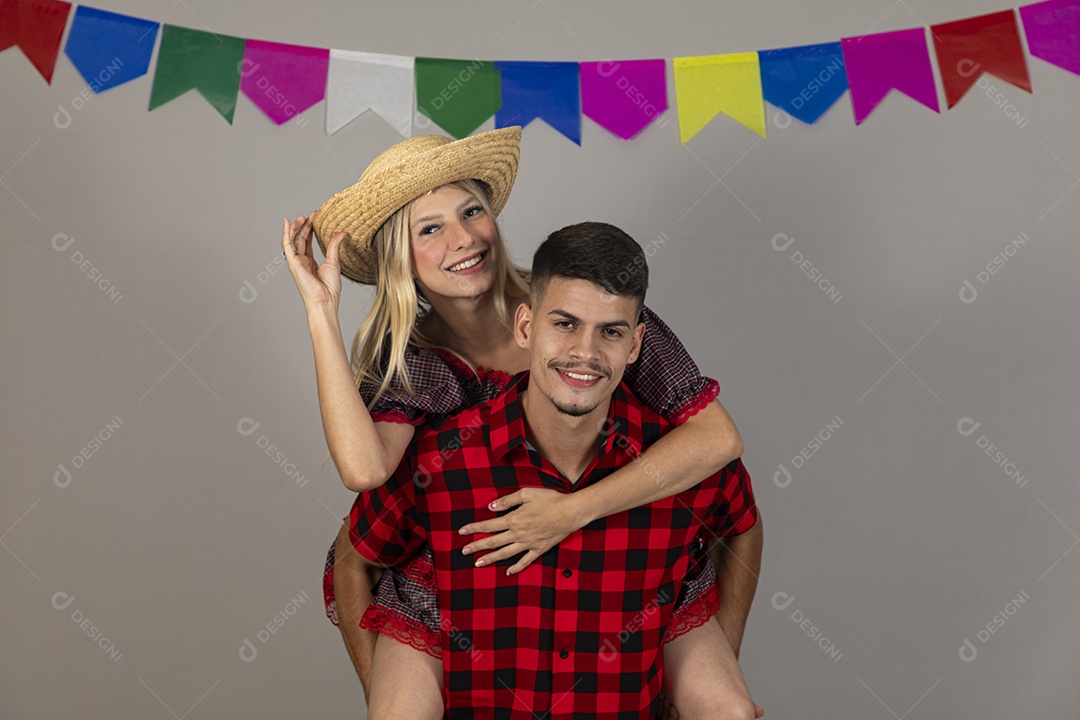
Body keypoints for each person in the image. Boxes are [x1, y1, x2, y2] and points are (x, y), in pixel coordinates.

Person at [282, 127, 763, 715]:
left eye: (471, 212)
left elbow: (718, 440)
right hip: (468, 574)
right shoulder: (414, 364)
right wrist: (320, 311)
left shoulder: (585, 309)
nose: (463, 238)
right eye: (429, 229)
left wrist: (572, 511)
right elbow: (363, 474)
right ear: (398, 259)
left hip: (612, 550)